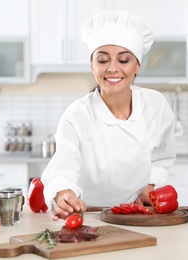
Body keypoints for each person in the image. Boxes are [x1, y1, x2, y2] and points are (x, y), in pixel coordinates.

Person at [41, 10, 176, 220]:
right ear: (92, 66)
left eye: (123, 60)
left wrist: (150, 184)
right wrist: (63, 194)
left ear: (137, 65)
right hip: (89, 217)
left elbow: (162, 156)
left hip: (139, 215)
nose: (113, 69)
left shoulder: (155, 105)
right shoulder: (76, 116)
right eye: (103, 60)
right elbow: (64, 165)